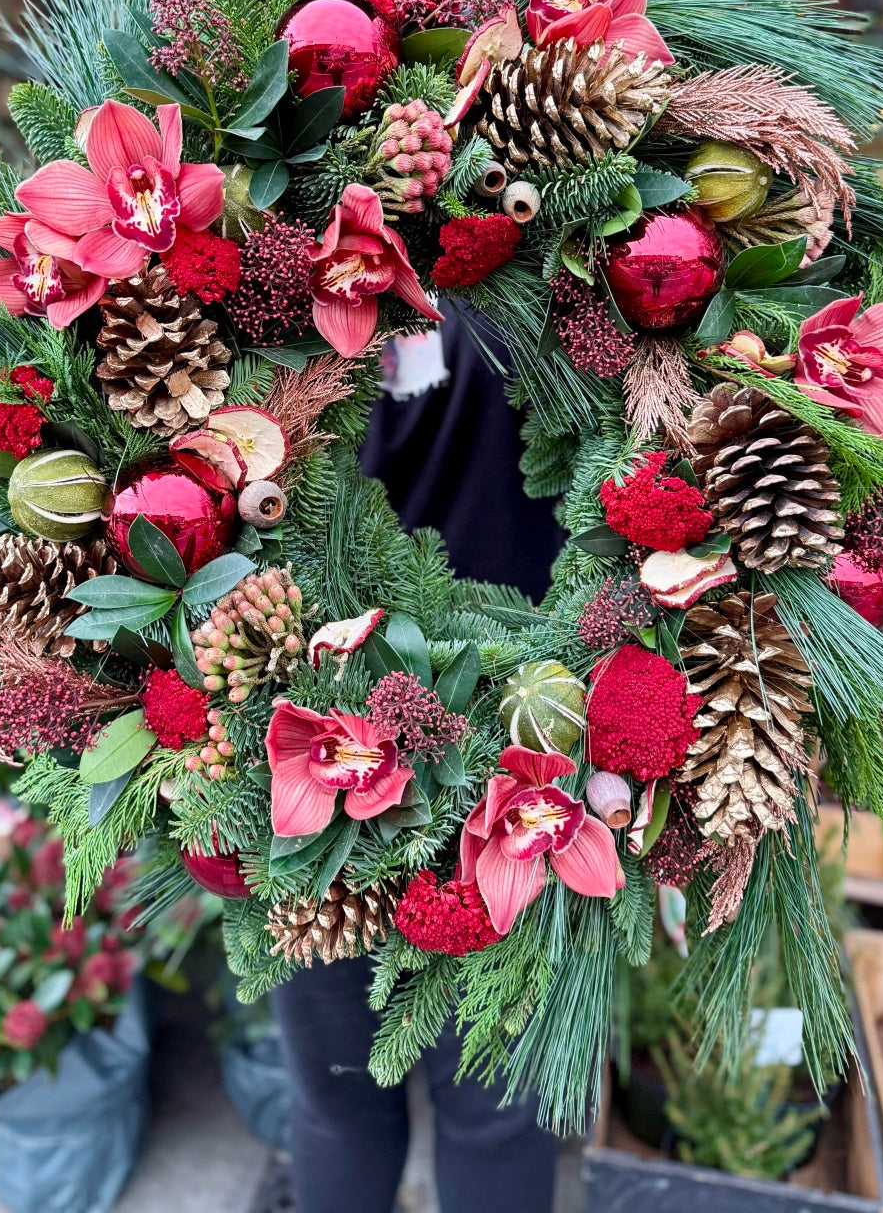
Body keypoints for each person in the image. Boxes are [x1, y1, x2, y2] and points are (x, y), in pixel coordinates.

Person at [268, 307, 564, 1213]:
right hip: (313, 757)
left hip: (517, 771)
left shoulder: (546, 251)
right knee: (387, 1108)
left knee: (384, 1111)